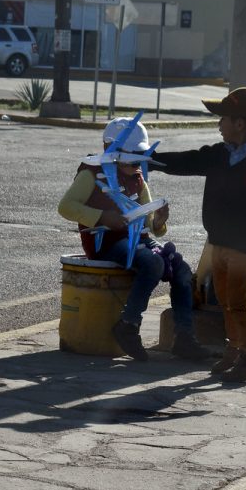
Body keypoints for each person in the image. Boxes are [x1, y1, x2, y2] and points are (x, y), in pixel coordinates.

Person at [151, 87, 246, 383]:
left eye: (223, 118)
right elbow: (187, 161)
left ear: (240, 124)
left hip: (245, 246)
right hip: (219, 241)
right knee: (224, 300)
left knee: (237, 302)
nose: (219, 124)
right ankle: (234, 349)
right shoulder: (219, 154)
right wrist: (152, 160)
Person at [58, 118, 210, 362]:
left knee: (181, 269)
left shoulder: (138, 178)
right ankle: (128, 325)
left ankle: (184, 337)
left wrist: (158, 222)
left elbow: (149, 223)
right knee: (153, 263)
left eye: (140, 157)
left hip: (138, 241)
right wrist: (102, 217)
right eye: (132, 157)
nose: (137, 163)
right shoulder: (91, 173)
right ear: (110, 149)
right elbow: (66, 207)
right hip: (105, 243)